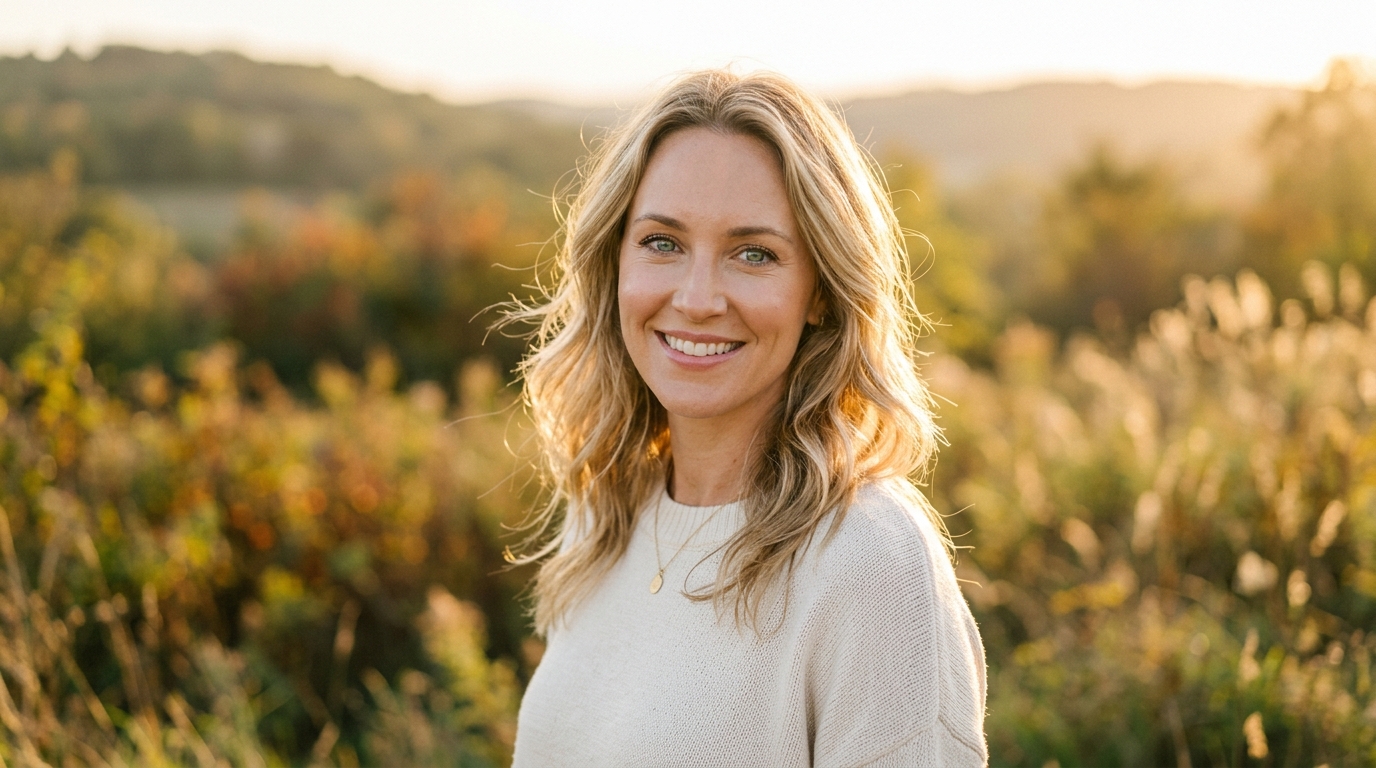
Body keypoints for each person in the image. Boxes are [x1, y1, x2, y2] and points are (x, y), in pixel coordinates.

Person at [507, 68, 987, 767]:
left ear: (820, 291)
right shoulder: (606, 514)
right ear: (614, 265)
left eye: (753, 254)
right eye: (662, 243)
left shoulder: (870, 560)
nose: (697, 298)